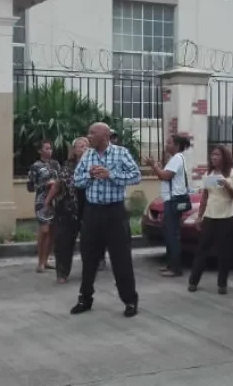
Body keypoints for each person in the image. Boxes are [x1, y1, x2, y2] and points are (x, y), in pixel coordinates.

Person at [72, 122, 142, 318]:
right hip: (93, 212)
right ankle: (85, 299)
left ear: (104, 136)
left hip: (115, 212)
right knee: (89, 258)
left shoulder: (121, 153)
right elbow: (76, 180)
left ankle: (129, 301)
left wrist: (111, 175)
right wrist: (90, 175)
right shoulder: (88, 155)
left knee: (121, 258)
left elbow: (136, 176)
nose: (89, 136)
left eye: (92, 133)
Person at [188, 145, 233, 294]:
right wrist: (199, 216)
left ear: (224, 157)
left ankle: (222, 284)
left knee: (224, 251)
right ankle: (193, 280)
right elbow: (205, 196)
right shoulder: (209, 174)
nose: (214, 157)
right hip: (210, 215)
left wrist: (227, 185)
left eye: (217, 155)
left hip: (227, 216)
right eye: (212, 155)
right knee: (202, 249)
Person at [145, 133, 192, 277]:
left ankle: (175, 268)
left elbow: (165, 176)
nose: (167, 145)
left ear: (177, 145)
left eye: (169, 142)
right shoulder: (177, 158)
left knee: (172, 235)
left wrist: (153, 166)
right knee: (170, 233)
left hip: (173, 201)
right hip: (172, 200)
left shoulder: (177, 158)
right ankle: (170, 265)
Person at [53, 137, 89, 284]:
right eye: (80, 146)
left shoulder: (94, 165)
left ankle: (89, 270)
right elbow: (59, 184)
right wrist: (48, 201)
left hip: (88, 208)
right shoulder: (67, 166)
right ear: (74, 150)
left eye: (86, 146)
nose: (84, 148)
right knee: (63, 242)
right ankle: (62, 272)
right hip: (67, 209)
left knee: (89, 242)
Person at [28, 140, 61, 273]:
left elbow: (61, 180)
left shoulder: (55, 164)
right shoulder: (35, 166)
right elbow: (30, 187)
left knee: (53, 232)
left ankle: (47, 260)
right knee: (44, 231)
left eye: (50, 148)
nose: (49, 151)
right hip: (42, 202)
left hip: (56, 200)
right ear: (40, 151)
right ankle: (40, 262)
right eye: (46, 148)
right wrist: (45, 185)